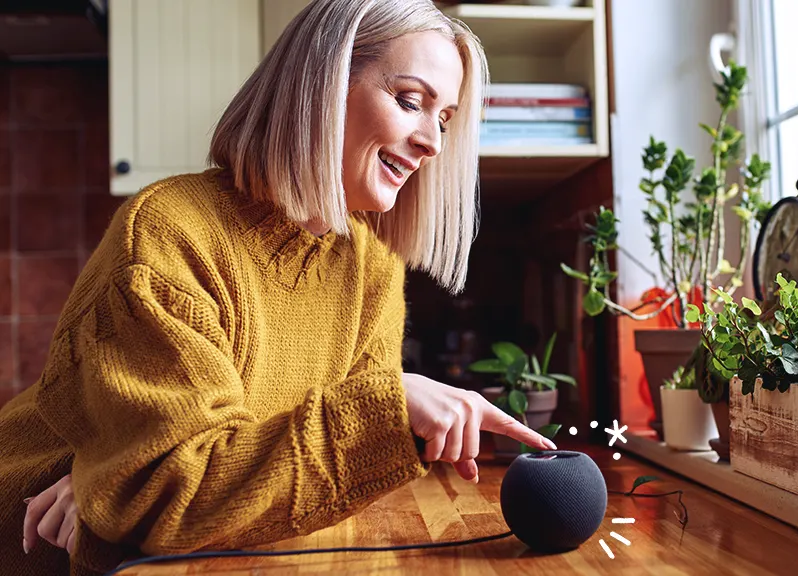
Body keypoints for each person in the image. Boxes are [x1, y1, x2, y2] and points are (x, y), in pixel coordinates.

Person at [0, 1, 556, 574]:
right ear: (322, 86)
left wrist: (114, 486)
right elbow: (173, 495)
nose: (434, 143)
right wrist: (125, 484)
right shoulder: (170, 230)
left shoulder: (370, 268)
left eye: (443, 120)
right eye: (411, 101)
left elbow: (289, 486)